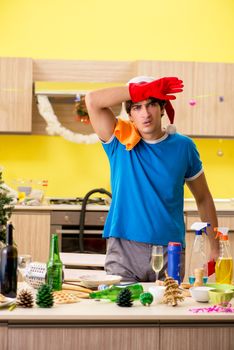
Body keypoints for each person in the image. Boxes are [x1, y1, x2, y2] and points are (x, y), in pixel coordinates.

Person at [85, 75, 219, 282]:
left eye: (151, 104)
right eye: (137, 107)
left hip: (169, 252)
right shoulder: (119, 138)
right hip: (124, 251)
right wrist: (143, 89)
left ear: (162, 108)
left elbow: (203, 198)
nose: (145, 113)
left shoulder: (184, 147)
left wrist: (215, 248)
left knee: (166, 311)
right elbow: (92, 101)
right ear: (130, 115)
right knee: (122, 312)